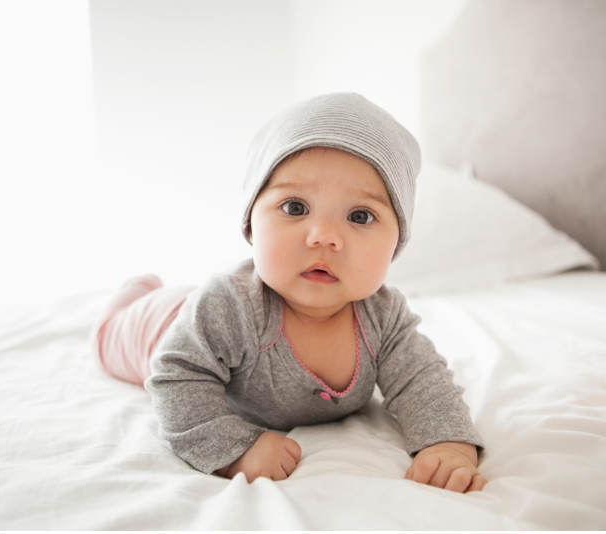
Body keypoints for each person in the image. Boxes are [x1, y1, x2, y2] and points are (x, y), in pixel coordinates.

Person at [91, 93, 486, 493]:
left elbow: (423, 380)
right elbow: (177, 378)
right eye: (295, 208)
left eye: (360, 216)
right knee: (108, 335)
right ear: (251, 222)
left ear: (397, 240)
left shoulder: (383, 317)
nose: (324, 237)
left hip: (197, 311)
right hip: (162, 324)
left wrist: (448, 443)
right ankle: (133, 292)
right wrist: (235, 449)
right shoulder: (230, 306)